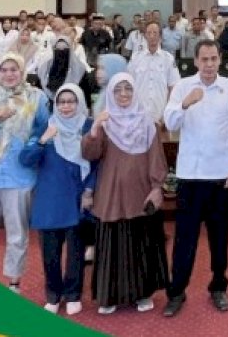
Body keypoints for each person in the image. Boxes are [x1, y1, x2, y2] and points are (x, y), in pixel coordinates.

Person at [162, 40, 228, 317]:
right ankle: (176, 292)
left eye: (213, 59)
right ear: (196, 61)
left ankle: (218, 286)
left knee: (219, 237)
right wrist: (185, 104)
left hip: (220, 176)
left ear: (219, 60)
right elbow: (170, 123)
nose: (209, 64)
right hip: (190, 175)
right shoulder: (184, 86)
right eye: (204, 59)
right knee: (184, 238)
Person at [81, 72, 169, 314]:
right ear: (110, 93)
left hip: (140, 193)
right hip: (110, 194)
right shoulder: (105, 122)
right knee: (112, 244)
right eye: (118, 89)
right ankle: (109, 297)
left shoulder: (147, 123)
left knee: (140, 243)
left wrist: (156, 186)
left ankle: (141, 294)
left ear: (134, 92)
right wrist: (96, 126)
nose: (123, 94)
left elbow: (156, 158)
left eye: (127, 89)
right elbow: (90, 154)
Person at [0, 53, 50, 291]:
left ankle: (14, 283)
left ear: (22, 71)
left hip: (19, 175)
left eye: (14, 69)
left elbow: (44, 127)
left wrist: (34, 144)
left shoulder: (36, 97)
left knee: (17, 235)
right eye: (4, 69)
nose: (9, 74)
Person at [19, 84, 96, 315]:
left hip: (77, 198)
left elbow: (98, 163)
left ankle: (73, 294)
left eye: (71, 101)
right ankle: (53, 295)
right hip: (50, 200)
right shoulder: (46, 126)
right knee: (50, 253)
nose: (66, 106)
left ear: (80, 102)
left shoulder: (89, 127)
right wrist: (43, 140)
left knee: (75, 251)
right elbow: (25, 159)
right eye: (61, 101)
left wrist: (89, 190)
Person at [128, 22, 181, 124]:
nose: (152, 36)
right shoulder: (136, 58)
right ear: (145, 36)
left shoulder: (168, 58)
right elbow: (129, 85)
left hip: (160, 115)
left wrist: (168, 112)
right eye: (149, 33)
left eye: (155, 33)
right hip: (138, 115)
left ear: (160, 36)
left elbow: (173, 87)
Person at [37, 37, 87, 102]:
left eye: (65, 49)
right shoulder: (44, 69)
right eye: (57, 49)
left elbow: (85, 99)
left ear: (70, 50)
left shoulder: (80, 70)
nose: (61, 52)